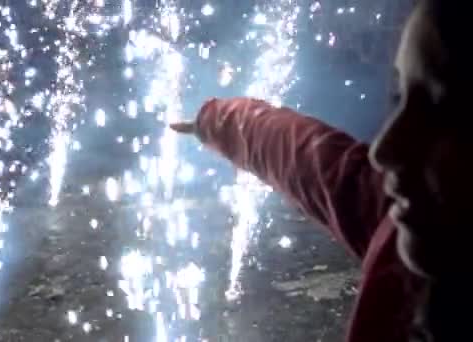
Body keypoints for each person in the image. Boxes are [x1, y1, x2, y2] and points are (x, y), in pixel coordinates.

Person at [171, 0, 471, 341]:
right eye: (399, 97)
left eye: (441, 112)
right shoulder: (401, 224)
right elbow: (310, 162)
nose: (384, 150)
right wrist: (218, 121)